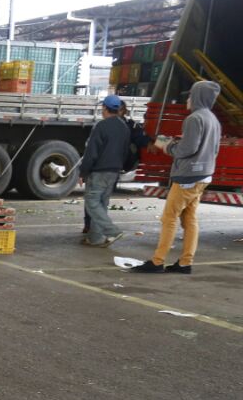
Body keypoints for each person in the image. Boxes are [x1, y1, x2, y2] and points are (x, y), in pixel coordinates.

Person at [131, 81, 222, 274]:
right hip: (204, 175)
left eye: (190, 96)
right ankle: (185, 262)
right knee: (189, 218)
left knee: (169, 218)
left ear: (198, 97)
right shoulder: (213, 119)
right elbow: (211, 149)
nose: (188, 99)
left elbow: (188, 149)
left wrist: (168, 146)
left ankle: (157, 261)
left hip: (187, 176)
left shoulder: (194, 118)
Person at [77, 94, 128, 248]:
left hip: (99, 171)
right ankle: (96, 238)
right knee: (102, 203)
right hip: (114, 171)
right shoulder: (124, 127)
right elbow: (125, 151)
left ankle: (112, 231)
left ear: (105, 108)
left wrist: (83, 172)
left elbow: (91, 152)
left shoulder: (101, 126)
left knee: (92, 202)